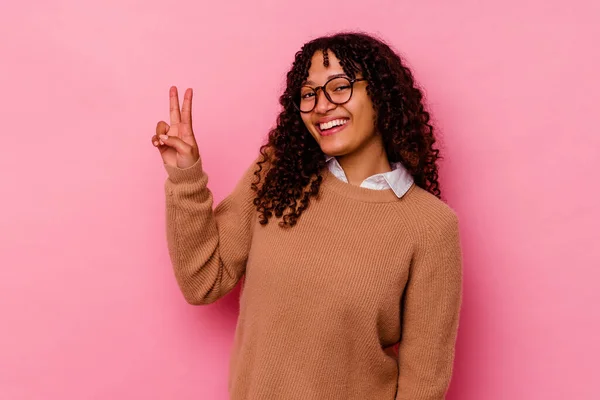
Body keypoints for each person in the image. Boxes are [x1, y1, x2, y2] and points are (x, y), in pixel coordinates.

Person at [151, 31, 463, 400]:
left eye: (339, 87)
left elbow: (422, 384)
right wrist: (185, 176)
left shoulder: (430, 226)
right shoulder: (277, 177)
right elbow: (202, 281)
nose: (321, 105)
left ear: (380, 95)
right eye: (309, 93)